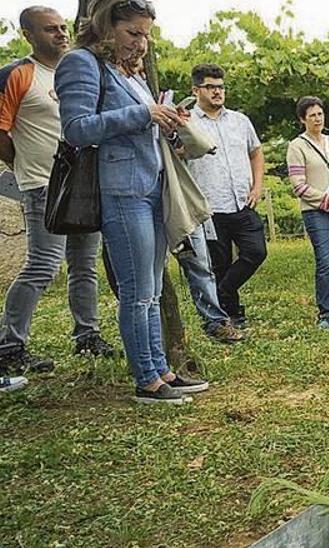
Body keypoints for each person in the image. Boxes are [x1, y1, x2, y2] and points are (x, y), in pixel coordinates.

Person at [57, 0, 207, 404]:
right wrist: (144, 113)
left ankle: (161, 370)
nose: (142, 44)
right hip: (121, 191)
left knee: (152, 289)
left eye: (146, 35)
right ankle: (146, 379)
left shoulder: (128, 72)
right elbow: (76, 129)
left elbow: (145, 119)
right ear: (107, 26)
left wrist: (168, 123)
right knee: (137, 291)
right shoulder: (81, 63)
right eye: (133, 33)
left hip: (152, 186)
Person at [0, 5, 118, 378]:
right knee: (43, 264)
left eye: (63, 27)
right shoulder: (18, 74)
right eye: (50, 29)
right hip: (42, 185)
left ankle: (88, 335)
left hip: (84, 185)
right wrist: (22, 164)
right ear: (28, 35)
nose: (61, 34)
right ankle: (10, 344)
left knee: (84, 265)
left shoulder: (78, 71)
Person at [185, 63, 267, 329]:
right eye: (210, 87)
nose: (217, 92)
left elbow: (256, 152)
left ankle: (221, 294)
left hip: (242, 201)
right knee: (218, 262)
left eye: (220, 87)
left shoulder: (240, 121)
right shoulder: (187, 121)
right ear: (196, 90)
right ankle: (231, 314)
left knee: (256, 251)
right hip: (209, 205)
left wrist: (257, 186)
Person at [286, 96, 329, 329]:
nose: (318, 118)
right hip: (315, 210)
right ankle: (325, 312)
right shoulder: (297, 146)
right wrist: (327, 199)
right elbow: (298, 185)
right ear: (302, 119)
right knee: (324, 260)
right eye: (312, 115)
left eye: (320, 114)